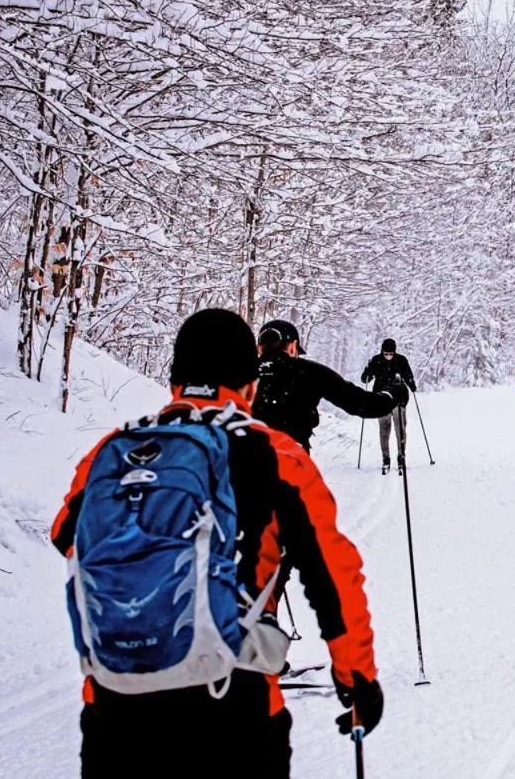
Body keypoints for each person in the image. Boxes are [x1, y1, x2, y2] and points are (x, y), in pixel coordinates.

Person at [50, 309, 384, 778]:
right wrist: (356, 678)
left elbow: (65, 533)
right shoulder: (276, 454)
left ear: (174, 381)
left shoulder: (116, 448)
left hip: (114, 704)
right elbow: (332, 575)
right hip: (233, 704)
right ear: (250, 385)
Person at [253, 319, 405, 453]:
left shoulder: (236, 375)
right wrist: (393, 395)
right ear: (293, 346)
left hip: (240, 464)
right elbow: (360, 403)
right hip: (291, 463)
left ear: (259, 348)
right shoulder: (310, 372)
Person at [361, 338, 417, 475]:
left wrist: (411, 383)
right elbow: (365, 379)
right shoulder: (376, 360)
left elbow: (409, 375)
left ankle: (401, 457)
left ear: (395, 352)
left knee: (400, 430)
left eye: (391, 354)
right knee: (384, 431)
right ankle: (386, 458)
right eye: (386, 354)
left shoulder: (401, 360)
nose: (388, 356)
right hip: (381, 400)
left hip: (399, 400)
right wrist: (367, 371)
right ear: (382, 352)